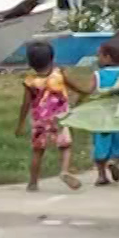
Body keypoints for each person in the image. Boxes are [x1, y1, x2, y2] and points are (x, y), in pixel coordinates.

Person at [17, 40, 88, 191]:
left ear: (30, 62)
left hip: (39, 121)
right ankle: (64, 171)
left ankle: (32, 183)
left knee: (38, 151)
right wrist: (86, 92)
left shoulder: (30, 81)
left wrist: (21, 123)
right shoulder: (59, 74)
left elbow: (25, 104)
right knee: (65, 146)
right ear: (52, 58)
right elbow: (75, 87)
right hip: (59, 119)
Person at [90, 39, 119, 186]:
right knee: (118, 141)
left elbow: (90, 92)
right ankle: (114, 161)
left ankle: (101, 175)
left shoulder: (98, 75)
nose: (98, 58)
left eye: (99, 55)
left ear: (107, 57)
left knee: (100, 144)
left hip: (101, 116)